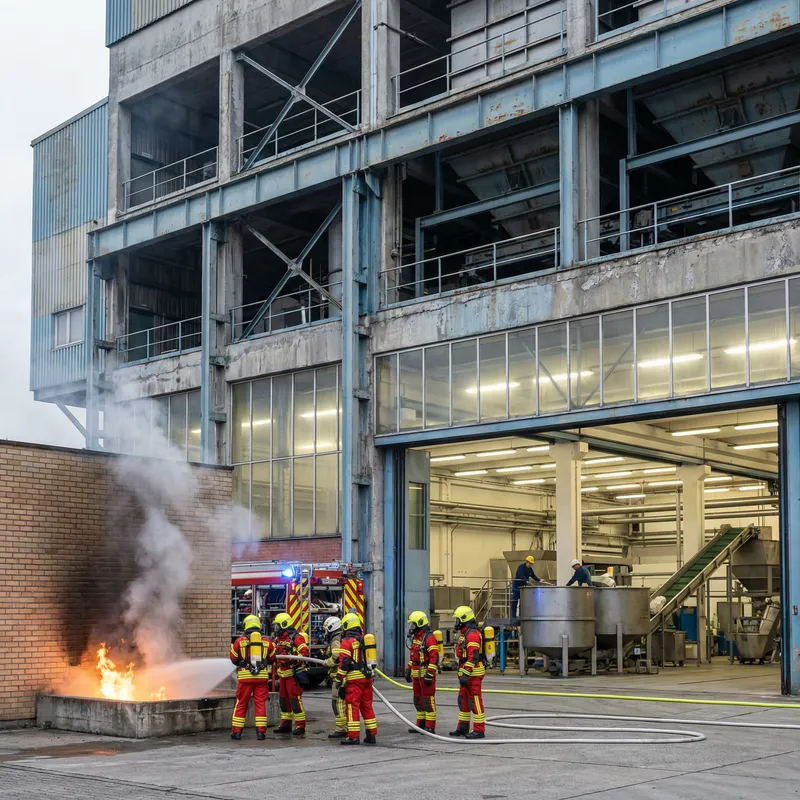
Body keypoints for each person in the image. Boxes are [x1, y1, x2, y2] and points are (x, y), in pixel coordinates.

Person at [229, 614, 276, 740]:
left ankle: (237, 733)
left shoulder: (240, 641)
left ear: (246, 625)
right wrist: (262, 664)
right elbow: (272, 658)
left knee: (241, 704)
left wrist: (244, 662)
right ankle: (261, 733)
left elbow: (233, 659)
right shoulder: (267, 642)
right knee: (260, 704)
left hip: (245, 679)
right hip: (261, 679)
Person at [336, 612, 377, 745]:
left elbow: (344, 662)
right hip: (367, 678)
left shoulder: (347, 641)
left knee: (352, 707)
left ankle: (353, 736)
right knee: (367, 706)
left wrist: (338, 678)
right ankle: (371, 735)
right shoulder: (363, 639)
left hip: (354, 681)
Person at [449, 605, 486, 740]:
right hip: (466, 673)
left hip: (473, 674)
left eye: (457, 620)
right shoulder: (465, 634)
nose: (456, 622)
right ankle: (463, 727)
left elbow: (473, 656)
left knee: (475, 701)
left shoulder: (472, 634)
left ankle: (479, 730)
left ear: (463, 619)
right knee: (463, 701)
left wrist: (466, 673)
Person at [272, 612, 310, 736]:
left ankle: (300, 726)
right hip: (282, 674)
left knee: (295, 700)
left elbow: (304, 654)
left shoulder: (296, 638)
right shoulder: (278, 639)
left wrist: (292, 660)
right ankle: (285, 724)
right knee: (283, 700)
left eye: (277, 626)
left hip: (293, 674)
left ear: (284, 625)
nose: (275, 629)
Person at [405, 610, 439, 734]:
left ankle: (430, 727)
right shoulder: (416, 637)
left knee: (427, 700)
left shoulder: (429, 638)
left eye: (413, 624)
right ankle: (420, 725)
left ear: (419, 624)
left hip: (425, 673)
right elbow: (413, 656)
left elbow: (434, 657)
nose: (411, 627)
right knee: (417, 700)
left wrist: (430, 673)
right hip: (416, 673)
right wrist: (409, 669)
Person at [322, 615, 347, 739]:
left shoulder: (335, 640)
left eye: (326, 629)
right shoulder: (340, 636)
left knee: (337, 703)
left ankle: (341, 728)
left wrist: (327, 663)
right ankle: (344, 727)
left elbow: (336, 657)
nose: (325, 632)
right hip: (342, 676)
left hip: (339, 677)